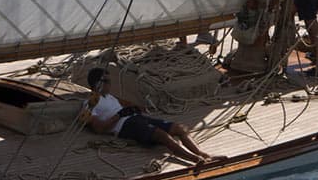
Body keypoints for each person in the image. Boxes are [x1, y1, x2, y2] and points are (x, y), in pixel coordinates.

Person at [83, 67, 220, 165]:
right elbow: (98, 129)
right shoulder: (89, 103)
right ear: (98, 83)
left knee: (178, 128)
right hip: (124, 126)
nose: (110, 84)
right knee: (162, 135)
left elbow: (124, 104)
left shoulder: (110, 96)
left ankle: (202, 154)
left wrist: (136, 107)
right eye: (107, 81)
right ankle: (196, 160)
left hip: (135, 119)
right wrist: (119, 116)